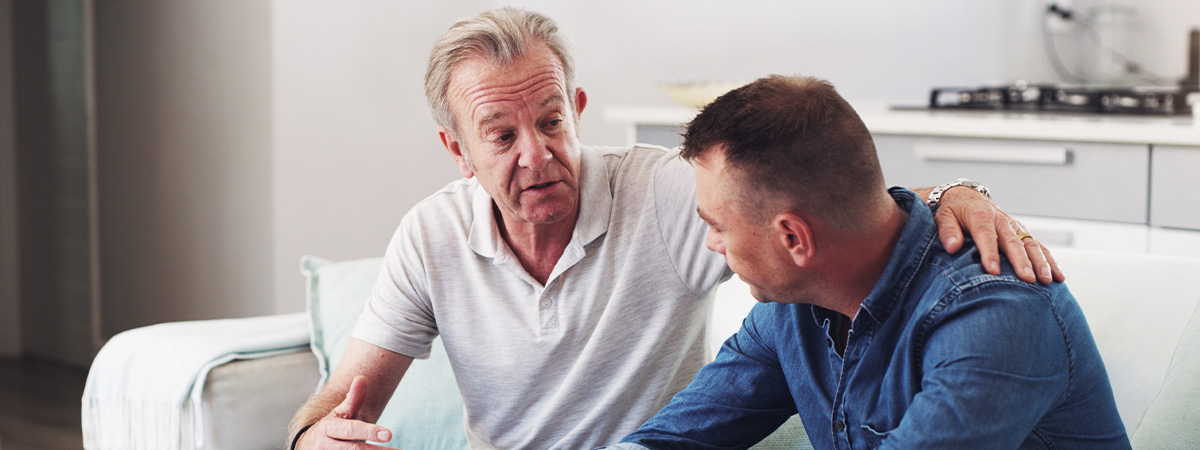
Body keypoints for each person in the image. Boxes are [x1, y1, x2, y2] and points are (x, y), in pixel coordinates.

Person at [287, 8, 1064, 450]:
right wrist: (306, 441)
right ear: (457, 150)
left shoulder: (992, 319)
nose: (537, 154)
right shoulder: (788, 319)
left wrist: (956, 192)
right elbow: (675, 440)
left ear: (576, 110)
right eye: (499, 136)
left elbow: (829, 194)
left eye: (552, 120)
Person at [606, 75, 1128, 450]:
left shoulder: (995, 317)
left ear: (793, 238)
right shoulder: (793, 305)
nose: (711, 244)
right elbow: (679, 435)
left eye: (717, 224)